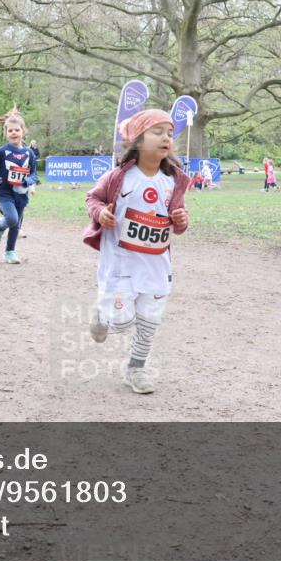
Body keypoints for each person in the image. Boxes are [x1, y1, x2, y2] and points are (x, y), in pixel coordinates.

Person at [83, 109, 190, 394]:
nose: (166, 137)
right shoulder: (118, 177)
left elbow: (178, 219)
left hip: (156, 263)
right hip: (121, 261)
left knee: (150, 318)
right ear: (138, 141)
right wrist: (101, 214)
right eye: (157, 132)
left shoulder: (173, 180)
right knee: (121, 321)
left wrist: (181, 220)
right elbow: (93, 198)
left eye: (169, 133)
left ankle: (136, 369)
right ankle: (103, 316)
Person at [0, 109, 39, 264]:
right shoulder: (2, 151)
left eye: (17, 130)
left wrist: (28, 181)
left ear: (23, 131)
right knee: (12, 219)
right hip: (5, 193)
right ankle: (0, 226)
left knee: (17, 224)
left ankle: (10, 252)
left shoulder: (29, 153)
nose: (14, 133)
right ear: (6, 133)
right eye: (10, 130)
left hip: (22, 194)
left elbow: (34, 173)